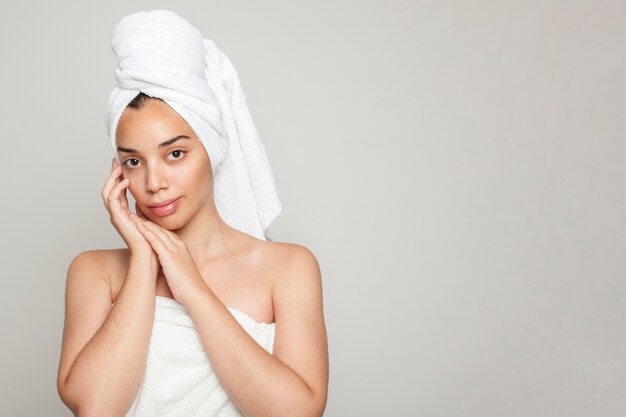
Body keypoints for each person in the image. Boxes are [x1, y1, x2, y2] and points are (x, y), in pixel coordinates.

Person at [56, 10, 328, 417]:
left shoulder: (288, 268)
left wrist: (194, 291)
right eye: (133, 162)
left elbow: (297, 413)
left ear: (212, 149)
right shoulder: (95, 273)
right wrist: (145, 262)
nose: (153, 182)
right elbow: (97, 408)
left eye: (175, 154)